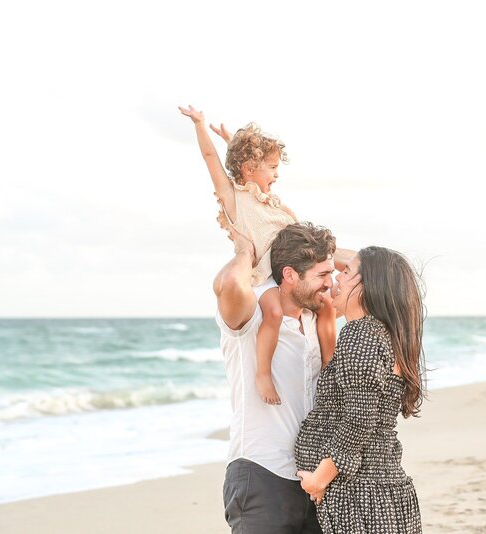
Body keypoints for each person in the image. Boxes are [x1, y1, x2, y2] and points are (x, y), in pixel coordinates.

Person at [179, 105, 335, 405]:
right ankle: (262, 373)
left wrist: (233, 141)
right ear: (250, 168)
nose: (276, 174)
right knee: (274, 313)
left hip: (292, 271)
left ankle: (330, 367)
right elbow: (212, 160)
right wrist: (200, 124)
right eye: (272, 168)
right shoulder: (234, 200)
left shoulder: (268, 202)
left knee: (326, 304)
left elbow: (245, 163)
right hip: (266, 275)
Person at [213, 221, 340, 534]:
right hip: (261, 475)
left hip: (312, 481)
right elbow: (229, 281)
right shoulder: (251, 317)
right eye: (323, 275)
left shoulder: (316, 319)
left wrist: (282, 232)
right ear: (289, 275)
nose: (330, 283)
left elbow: (362, 265)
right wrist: (247, 249)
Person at [295, 246, 426, 534]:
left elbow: (359, 420)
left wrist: (320, 478)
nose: (336, 279)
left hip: (359, 496)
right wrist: (321, 247)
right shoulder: (389, 335)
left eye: (347, 272)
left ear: (369, 286)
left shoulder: (361, 334)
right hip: (381, 493)